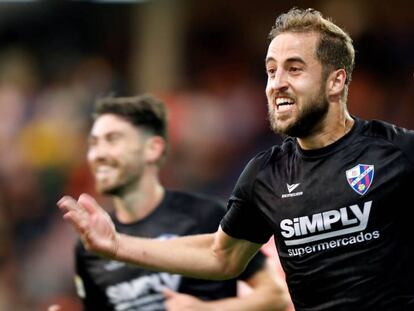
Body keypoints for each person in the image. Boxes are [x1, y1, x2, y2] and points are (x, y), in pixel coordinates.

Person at [57, 7, 414, 310]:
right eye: (271, 70)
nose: (277, 83)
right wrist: (118, 245)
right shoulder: (265, 175)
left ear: (336, 82)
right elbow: (221, 255)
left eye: (294, 68)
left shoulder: (397, 153)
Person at [56, 94, 289, 311]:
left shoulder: (206, 216)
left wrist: (207, 310)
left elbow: (276, 295)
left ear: (152, 149)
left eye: (113, 140)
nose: (98, 154)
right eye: (94, 143)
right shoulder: (91, 246)